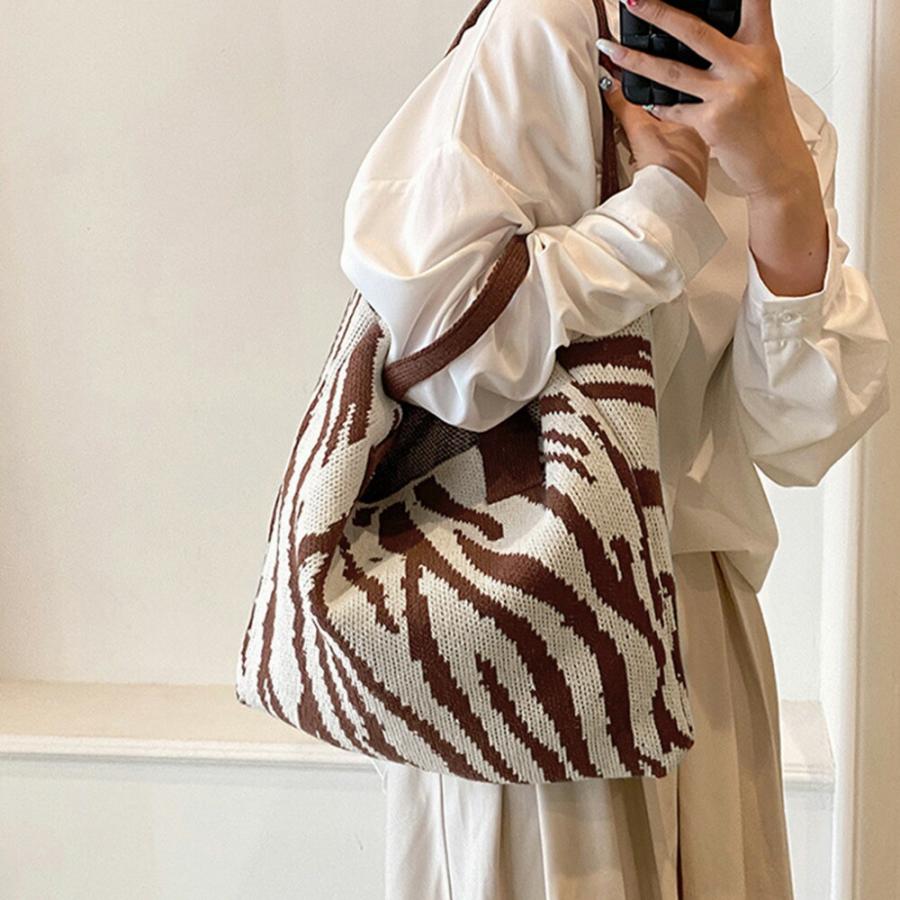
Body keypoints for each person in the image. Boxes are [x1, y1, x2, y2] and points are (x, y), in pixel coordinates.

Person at [338, 0, 891, 896]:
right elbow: (438, 346)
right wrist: (661, 215)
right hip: (524, 616)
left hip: (701, 629)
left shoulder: (779, 114)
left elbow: (798, 435)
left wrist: (783, 187)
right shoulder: (539, 35)